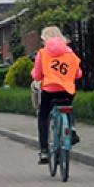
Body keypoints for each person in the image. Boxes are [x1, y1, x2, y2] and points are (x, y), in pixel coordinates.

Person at [31, 26, 82, 164]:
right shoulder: (70, 52)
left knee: (43, 116)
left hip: (49, 91)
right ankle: (71, 130)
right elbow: (78, 74)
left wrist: (38, 76)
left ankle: (44, 151)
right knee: (68, 107)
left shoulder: (43, 53)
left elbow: (37, 75)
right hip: (67, 90)